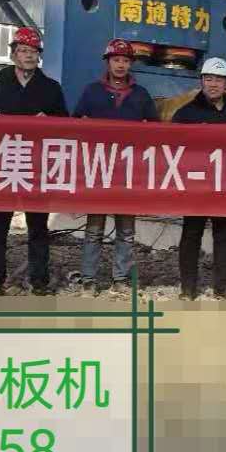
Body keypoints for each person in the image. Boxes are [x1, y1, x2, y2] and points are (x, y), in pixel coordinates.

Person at [0, 26, 68, 296]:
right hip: (4, 163)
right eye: (23, 51)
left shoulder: (50, 88)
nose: (28, 56)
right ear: (14, 55)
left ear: (39, 56)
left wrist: (49, 122)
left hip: (36, 165)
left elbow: (66, 124)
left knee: (38, 226)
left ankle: (39, 281)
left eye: (33, 51)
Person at [73, 38, 158, 293]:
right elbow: (75, 124)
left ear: (130, 64)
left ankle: (120, 278)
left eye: (125, 60)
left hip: (128, 171)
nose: (120, 65)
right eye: (116, 60)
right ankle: (89, 278)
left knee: (126, 230)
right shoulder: (92, 92)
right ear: (108, 62)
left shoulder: (141, 95)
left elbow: (156, 130)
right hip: (99, 169)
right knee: (94, 229)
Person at [171, 57, 226, 300]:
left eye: (219, 79)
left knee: (224, 235)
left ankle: (222, 287)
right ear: (201, 81)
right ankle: (188, 288)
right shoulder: (186, 114)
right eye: (208, 79)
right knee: (191, 234)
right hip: (196, 186)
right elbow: (172, 149)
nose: (213, 84)